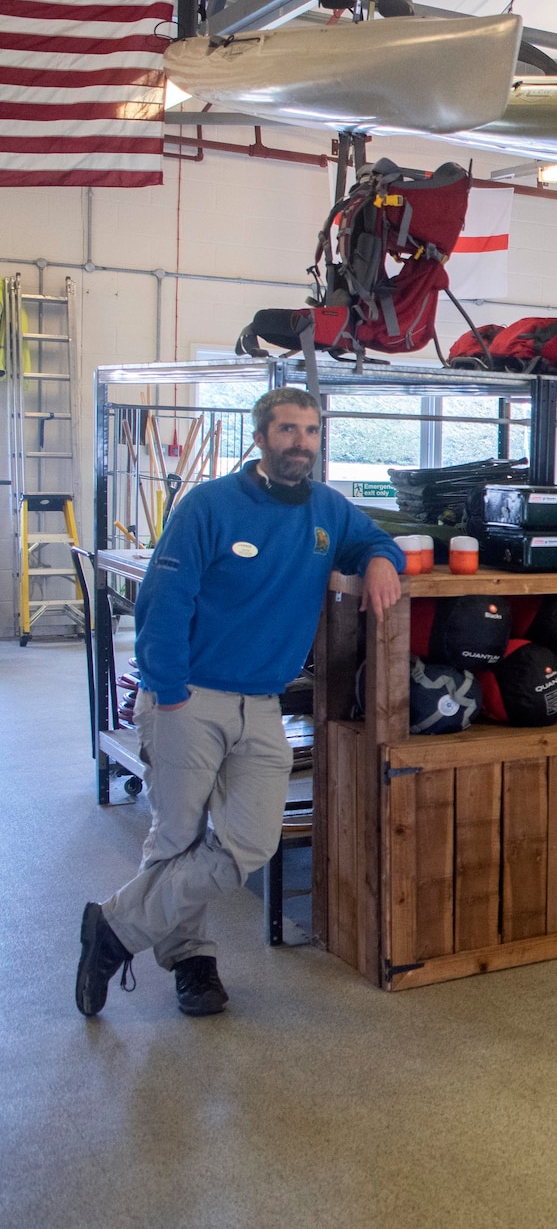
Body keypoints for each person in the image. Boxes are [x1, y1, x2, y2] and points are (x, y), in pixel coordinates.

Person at [77, 388, 404, 1019]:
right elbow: (163, 603)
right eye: (286, 430)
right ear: (260, 438)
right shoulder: (209, 505)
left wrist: (383, 561)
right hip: (189, 697)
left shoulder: (328, 511)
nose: (300, 442)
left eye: (310, 431)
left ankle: (112, 929)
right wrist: (166, 691)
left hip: (262, 705)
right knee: (175, 836)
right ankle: (193, 963)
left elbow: (373, 541)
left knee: (249, 844)